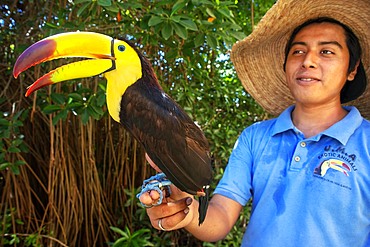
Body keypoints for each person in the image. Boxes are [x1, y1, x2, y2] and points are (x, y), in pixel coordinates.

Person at [139, 0, 370, 246]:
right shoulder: (255, 137)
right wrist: (185, 209)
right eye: (298, 51)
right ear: (285, 65)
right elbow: (221, 216)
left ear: (352, 69)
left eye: (326, 51)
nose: (308, 61)